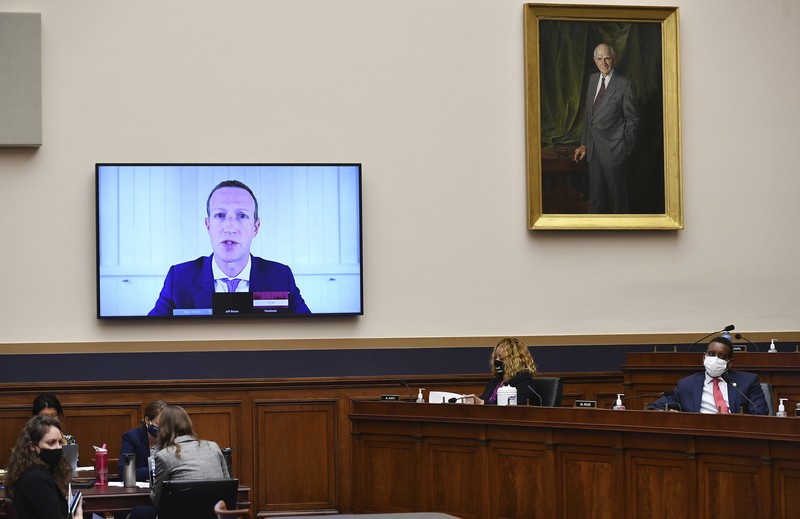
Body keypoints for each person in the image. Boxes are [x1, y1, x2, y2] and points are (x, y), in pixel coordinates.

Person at [148, 179, 311, 316]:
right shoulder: (179, 278)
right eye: (220, 215)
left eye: (242, 216)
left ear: (255, 228)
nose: (230, 228)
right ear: (208, 225)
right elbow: (151, 333)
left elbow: (308, 331)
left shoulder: (281, 277)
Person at [126, 405, 230, 519]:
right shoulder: (213, 447)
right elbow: (227, 484)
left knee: (137, 512)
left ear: (163, 429)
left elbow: (157, 499)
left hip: (181, 514)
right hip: (214, 514)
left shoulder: (165, 455)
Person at [573, 43, 639, 214]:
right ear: (595, 60)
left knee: (619, 202)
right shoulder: (592, 80)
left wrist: (623, 148)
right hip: (593, 151)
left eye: (607, 58)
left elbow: (632, 121)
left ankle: (621, 232)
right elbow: (590, 118)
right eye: (600, 59)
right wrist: (584, 145)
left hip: (614, 153)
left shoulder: (624, 85)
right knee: (596, 201)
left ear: (613, 59)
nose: (603, 63)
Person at [648, 336, 769, 415]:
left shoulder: (748, 381)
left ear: (730, 363)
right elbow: (654, 407)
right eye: (711, 354)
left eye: (721, 357)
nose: (715, 359)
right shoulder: (687, 384)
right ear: (704, 357)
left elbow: (760, 414)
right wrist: (665, 411)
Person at [5, 415, 84, 519]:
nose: (58, 447)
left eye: (60, 442)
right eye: (51, 443)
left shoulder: (32, 472)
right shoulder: (36, 478)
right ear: (32, 446)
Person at [465, 337, 540, 406]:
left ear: (514, 361)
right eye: (496, 357)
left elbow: (514, 407)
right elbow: (484, 399)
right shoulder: (496, 380)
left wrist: (481, 403)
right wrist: (472, 400)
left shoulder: (524, 380)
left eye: (501, 358)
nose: (496, 361)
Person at [118, 399, 167, 482]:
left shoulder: (171, 437)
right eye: (158, 424)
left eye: (165, 425)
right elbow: (124, 471)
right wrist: (156, 470)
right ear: (147, 420)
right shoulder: (132, 437)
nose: (162, 429)